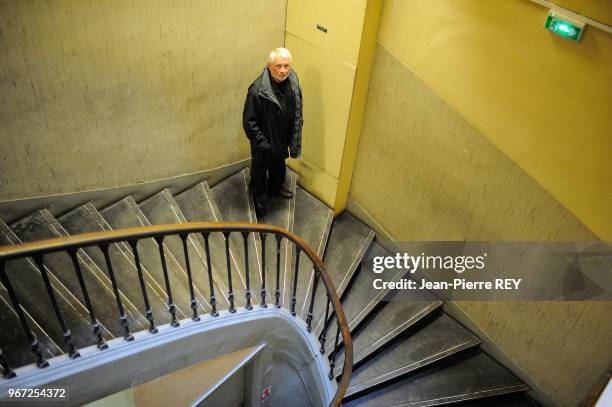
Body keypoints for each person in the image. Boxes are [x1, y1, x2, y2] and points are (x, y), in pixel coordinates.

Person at [243, 47, 303, 216]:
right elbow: (249, 122)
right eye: (278, 66)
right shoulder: (257, 91)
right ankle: (258, 196)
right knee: (260, 172)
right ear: (269, 66)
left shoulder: (292, 80)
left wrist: (294, 135)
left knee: (278, 166)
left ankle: (276, 187)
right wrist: (264, 145)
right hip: (265, 143)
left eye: (286, 66)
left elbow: (297, 107)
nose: (283, 70)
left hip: (282, 138)